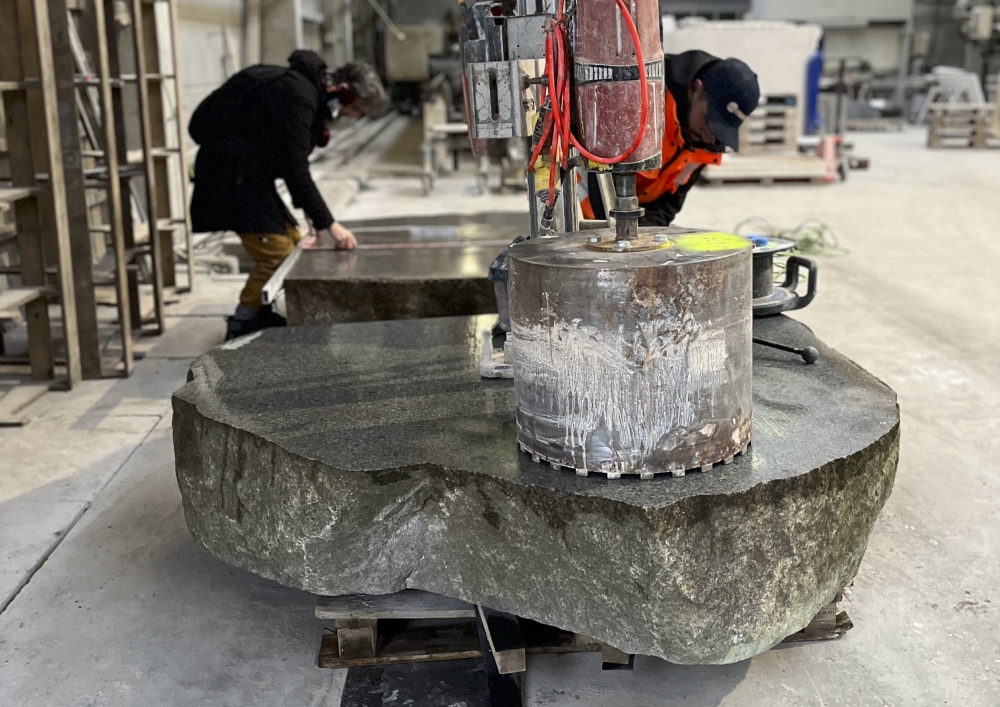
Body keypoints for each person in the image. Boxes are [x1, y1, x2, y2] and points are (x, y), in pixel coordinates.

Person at [188, 50, 388, 340]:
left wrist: (311, 213)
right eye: (355, 107)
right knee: (276, 253)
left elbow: (287, 160)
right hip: (230, 176)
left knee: (294, 243)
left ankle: (265, 310)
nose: (352, 115)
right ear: (344, 92)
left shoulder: (305, 90)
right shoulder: (298, 96)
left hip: (250, 175)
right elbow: (295, 169)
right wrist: (330, 224)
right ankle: (243, 322)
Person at [583, 51, 760, 227]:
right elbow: (600, 177)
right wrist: (610, 230)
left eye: (719, 130)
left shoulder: (707, 144)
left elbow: (667, 206)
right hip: (580, 206)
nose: (708, 136)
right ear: (695, 89)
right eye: (708, 120)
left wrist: (644, 234)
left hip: (624, 225)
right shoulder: (646, 95)